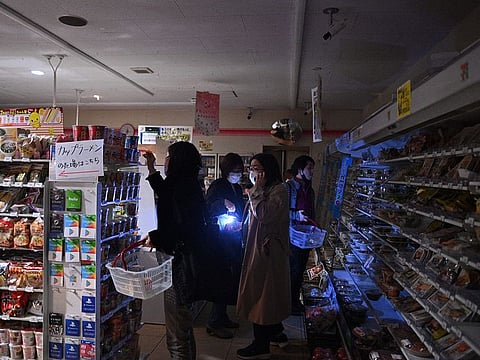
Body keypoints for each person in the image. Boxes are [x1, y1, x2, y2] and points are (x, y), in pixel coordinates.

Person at [143, 141, 206, 360]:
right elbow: (163, 190)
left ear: (177, 161)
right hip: (181, 260)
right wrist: (151, 168)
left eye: (168, 156)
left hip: (177, 263)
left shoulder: (182, 188)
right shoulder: (184, 183)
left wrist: (156, 236)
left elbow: (181, 228)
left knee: (177, 325)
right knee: (182, 322)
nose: (166, 160)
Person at [236, 153, 291, 360]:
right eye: (251, 168)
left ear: (268, 169)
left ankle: (261, 345)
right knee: (265, 294)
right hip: (258, 248)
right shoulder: (265, 189)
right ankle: (276, 333)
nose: (254, 172)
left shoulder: (279, 190)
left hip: (268, 252)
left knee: (262, 295)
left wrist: (256, 191)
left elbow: (265, 215)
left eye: (258, 168)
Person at [204, 153, 246, 339]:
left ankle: (221, 317)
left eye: (239, 171)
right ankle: (214, 321)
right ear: (226, 170)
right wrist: (222, 203)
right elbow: (209, 207)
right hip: (220, 241)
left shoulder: (236, 187)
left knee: (229, 279)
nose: (237, 175)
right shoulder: (218, 186)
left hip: (233, 238)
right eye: (234, 171)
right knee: (221, 279)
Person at [285, 155, 316, 316]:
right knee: (294, 270)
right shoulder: (289, 187)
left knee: (300, 269)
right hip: (293, 236)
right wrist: (296, 216)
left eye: (312, 168)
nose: (312, 171)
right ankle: (290, 303)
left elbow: (312, 211)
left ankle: (295, 301)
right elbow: (281, 211)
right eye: (309, 168)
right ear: (299, 170)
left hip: (306, 237)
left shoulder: (309, 189)